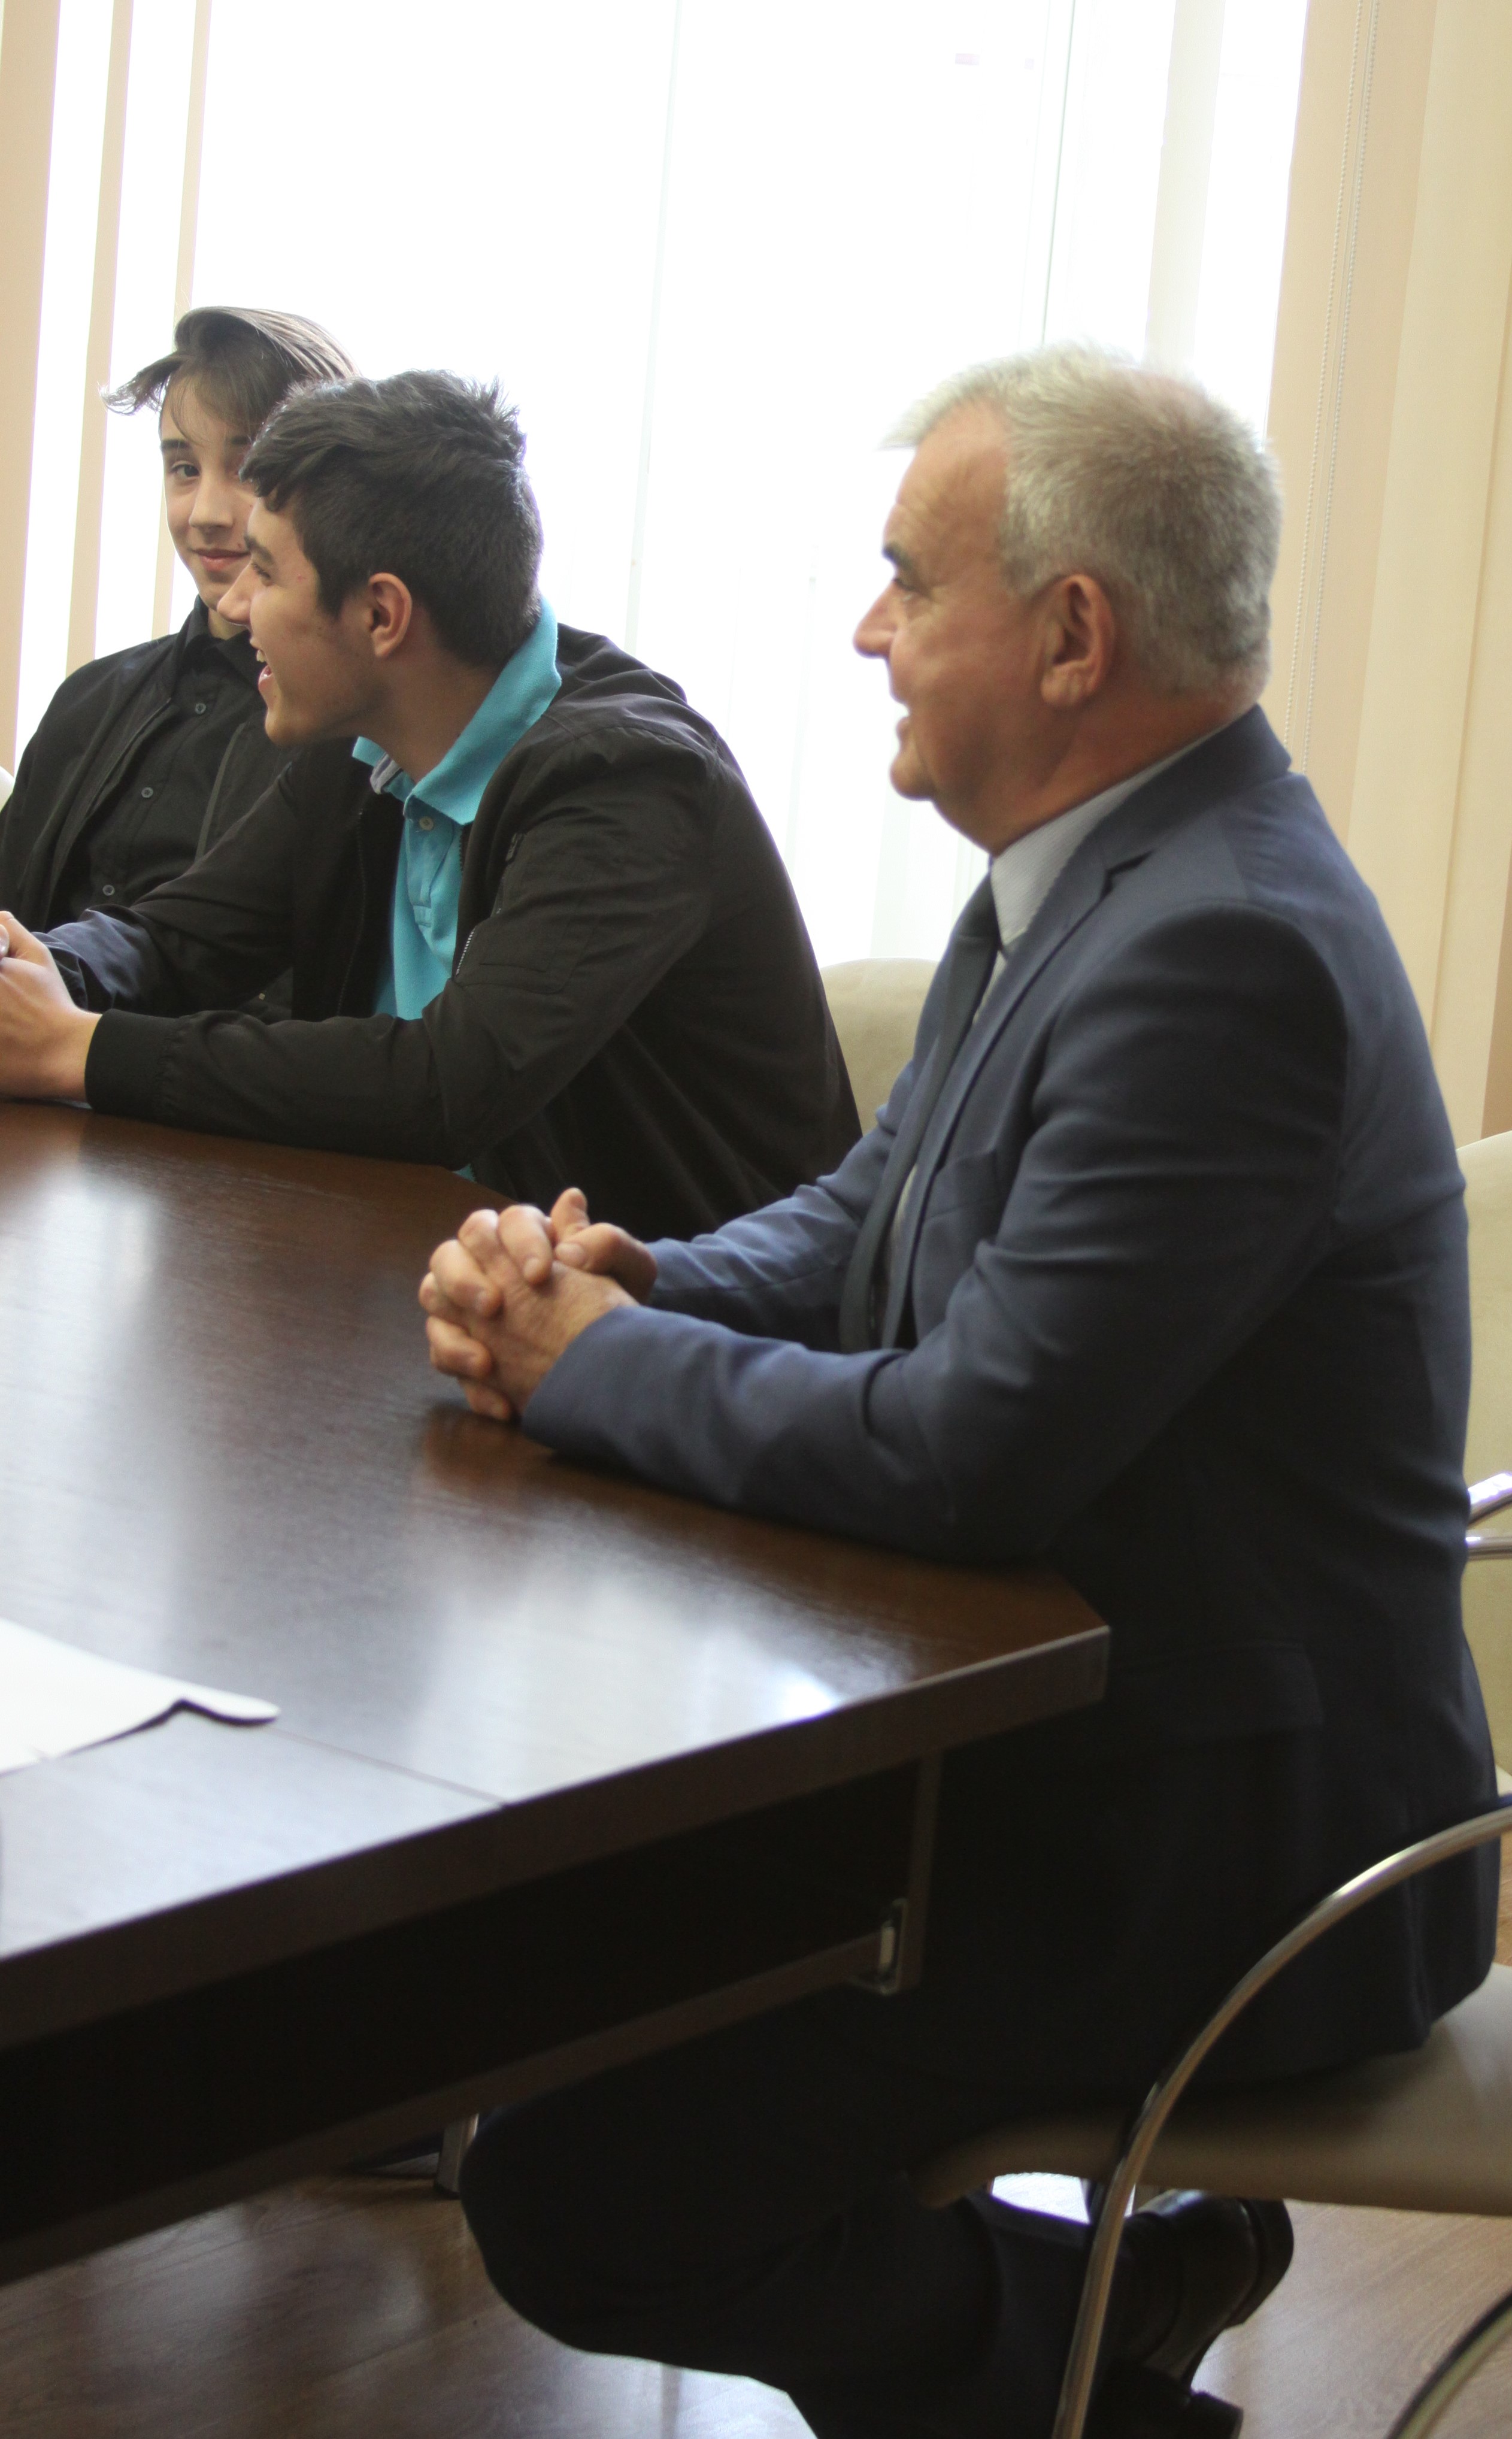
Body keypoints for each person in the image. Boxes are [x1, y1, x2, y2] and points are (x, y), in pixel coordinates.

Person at [417, 347, 1499, 2438]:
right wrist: (630, 1279)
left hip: (1218, 1854)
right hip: (1060, 1762)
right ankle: (1112, 2302)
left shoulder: (1221, 950)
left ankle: (1097, 2383)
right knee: (544, 1984)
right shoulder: (1096, 876)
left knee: (579, 2174)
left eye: (909, 581)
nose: (865, 629)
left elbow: (963, 1452)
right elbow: (867, 1214)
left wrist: (595, 1367)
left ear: (1072, 635)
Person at [0, 371, 856, 1234]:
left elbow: (448, 1084)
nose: (234, 602)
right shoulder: (362, 740)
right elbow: (177, 939)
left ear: (382, 615)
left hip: (674, 1300)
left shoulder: (630, 781)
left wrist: (79, 1048)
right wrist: (36, 971)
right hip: (411, 1251)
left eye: (266, 571)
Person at [0, 308, 356, 989]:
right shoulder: (88, 698)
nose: (206, 513)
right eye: (184, 469)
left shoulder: (356, 735)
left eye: (248, 469)